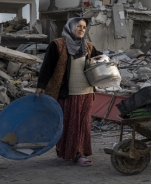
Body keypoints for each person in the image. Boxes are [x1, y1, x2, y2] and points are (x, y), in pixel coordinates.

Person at [35, 17, 101, 166]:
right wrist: (42, 85)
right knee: (69, 124)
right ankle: (66, 152)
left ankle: (79, 153)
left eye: (84, 27)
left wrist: (113, 62)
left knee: (83, 124)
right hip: (67, 93)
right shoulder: (58, 45)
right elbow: (47, 66)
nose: (81, 29)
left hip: (87, 92)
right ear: (70, 27)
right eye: (78, 26)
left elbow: (100, 60)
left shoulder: (89, 47)